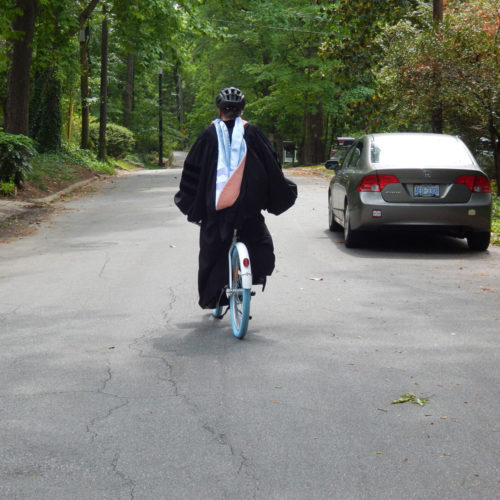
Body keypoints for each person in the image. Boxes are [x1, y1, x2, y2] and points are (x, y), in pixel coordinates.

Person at [175, 86, 297, 309]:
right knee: (257, 240)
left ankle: (215, 296)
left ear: (220, 110)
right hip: (249, 209)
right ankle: (250, 278)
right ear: (242, 111)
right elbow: (272, 166)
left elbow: (192, 172)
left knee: (212, 251)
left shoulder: (208, 136)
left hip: (217, 212)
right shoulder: (253, 133)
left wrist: (191, 201)